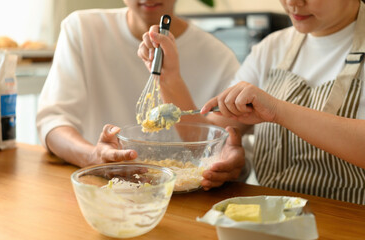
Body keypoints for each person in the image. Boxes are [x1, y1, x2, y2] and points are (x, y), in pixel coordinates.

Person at [138, 0, 365, 209]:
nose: (292, 3)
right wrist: (170, 78)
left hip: (358, 222)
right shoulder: (272, 48)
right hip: (273, 221)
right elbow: (207, 136)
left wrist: (279, 111)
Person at [36, 0, 248, 188]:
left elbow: (229, 154)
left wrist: (229, 165)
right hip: (100, 188)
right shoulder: (82, 29)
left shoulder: (219, 58)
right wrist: (92, 157)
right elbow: (53, 122)